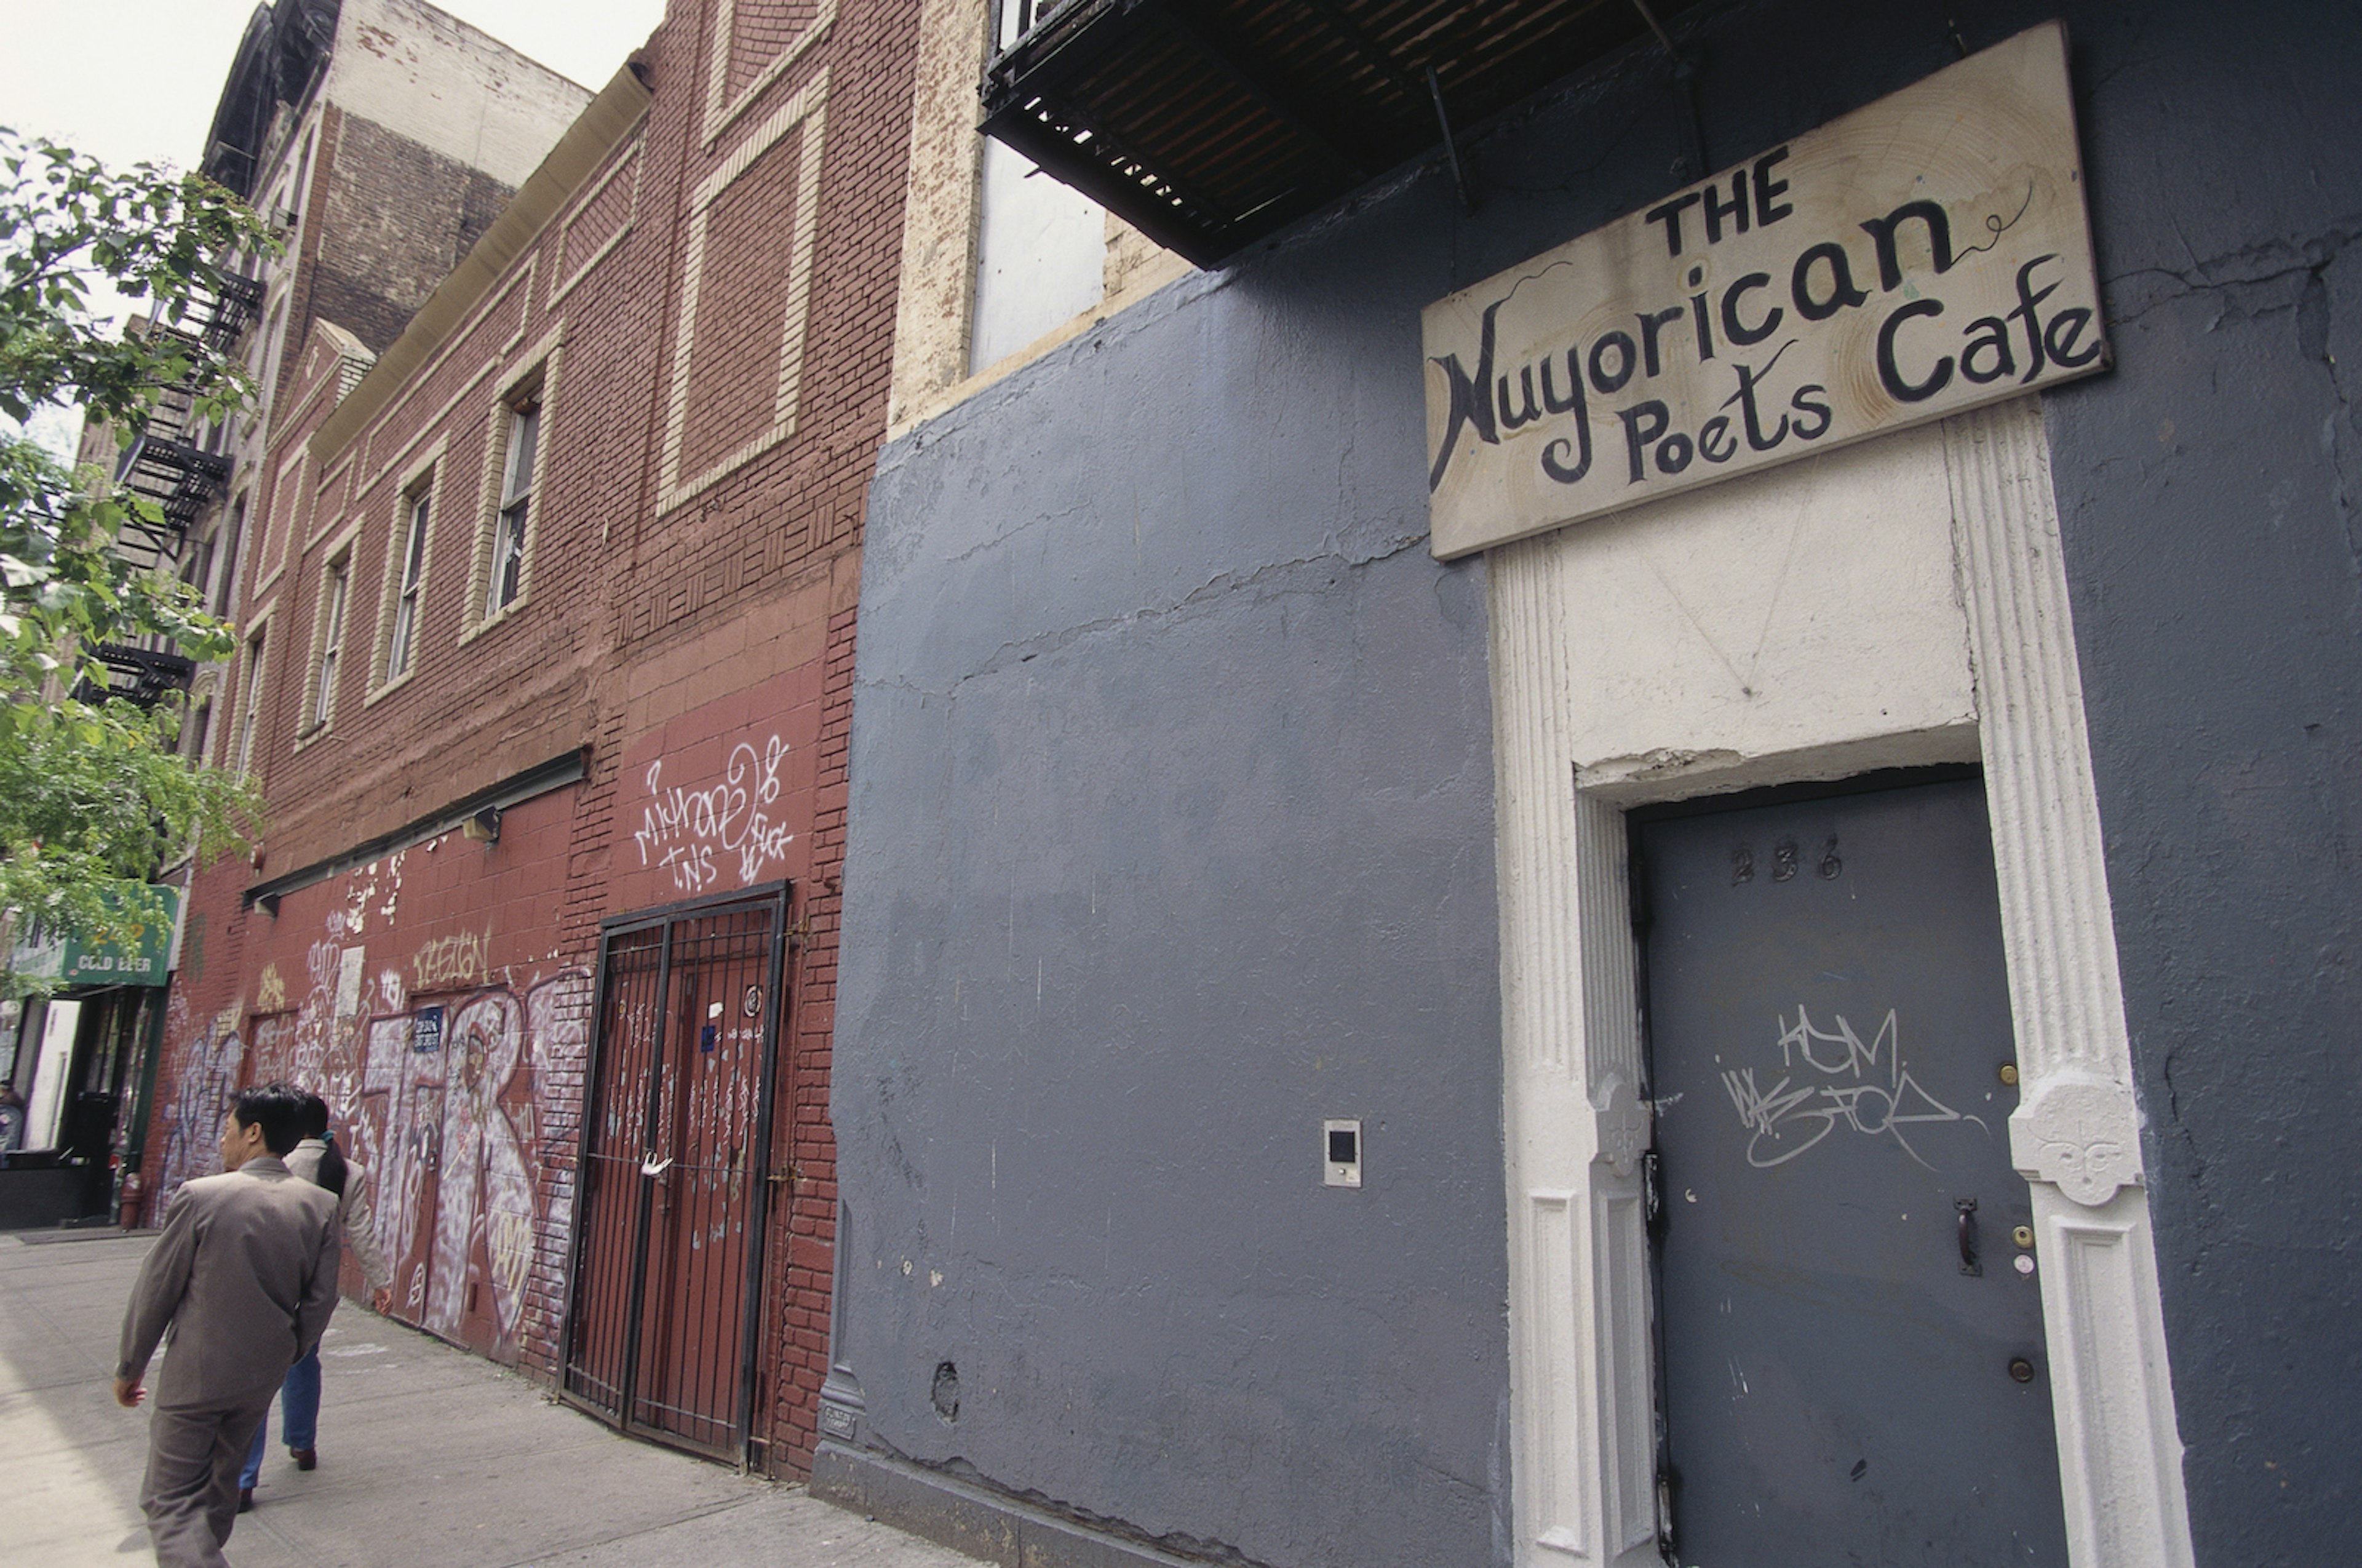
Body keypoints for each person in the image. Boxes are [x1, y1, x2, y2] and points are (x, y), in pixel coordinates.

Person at [114, 1083, 340, 1568]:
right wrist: (290, 1350)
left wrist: (129, 1365)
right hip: (261, 1375)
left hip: (197, 1372)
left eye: (229, 1128)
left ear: (254, 1132)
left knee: (169, 1499)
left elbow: (157, 1288)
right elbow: (322, 1299)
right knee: (217, 1495)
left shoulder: (202, 1196)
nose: (223, 1140)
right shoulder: (319, 1205)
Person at [237, 1090, 394, 1508]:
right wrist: (381, 1281)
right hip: (316, 1287)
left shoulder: (277, 1165)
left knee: (256, 1374)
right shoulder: (349, 1170)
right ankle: (303, 1445)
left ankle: (244, 1478)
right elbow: (360, 1231)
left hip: (268, 1280)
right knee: (304, 1358)